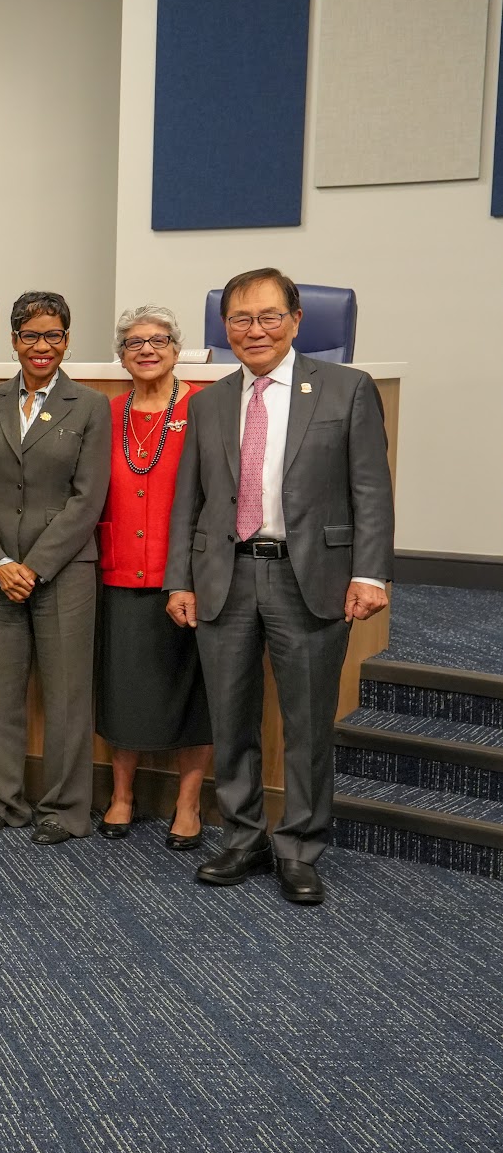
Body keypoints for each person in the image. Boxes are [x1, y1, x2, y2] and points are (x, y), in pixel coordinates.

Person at [167, 267, 393, 906]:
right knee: (230, 716)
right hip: (225, 575)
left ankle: (299, 847)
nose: (255, 330)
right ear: (225, 328)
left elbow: (371, 489)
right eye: (240, 319)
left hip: (310, 576)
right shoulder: (208, 401)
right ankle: (243, 837)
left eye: (269, 316)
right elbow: (190, 502)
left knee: (307, 721)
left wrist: (369, 572)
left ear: (296, 321)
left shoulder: (346, 388)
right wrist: (179, 579)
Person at [0, 291, 110, 844]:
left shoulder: (90, 405)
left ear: (66, 340)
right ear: (14, 341)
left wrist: (35, 566)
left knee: (67, 695)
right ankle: (3, 800)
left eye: (52, 335)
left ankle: (65, 810)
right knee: (0, 690)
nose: (41, 346)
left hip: (65, 571)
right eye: (30, 335)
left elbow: (87, 500)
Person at [94, 305, 211, 850]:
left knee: (193, 694)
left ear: (176, 350)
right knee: (123, 691)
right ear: (121, 356)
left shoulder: (203, 407)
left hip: (186, 574)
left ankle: (189, 804)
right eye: (134, 342)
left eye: (159, 340)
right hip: (119, 569)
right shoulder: (107, 412)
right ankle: (122, 796)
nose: (146, 350)